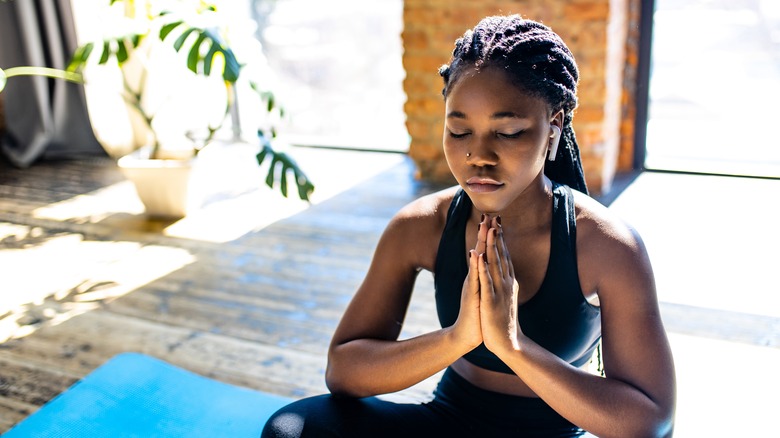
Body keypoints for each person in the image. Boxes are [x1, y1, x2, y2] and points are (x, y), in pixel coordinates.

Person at [262, 14, 676, 438]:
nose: (478, 155)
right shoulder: (422, 226)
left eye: (509, 132)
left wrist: (513, 346)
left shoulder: (607, 245)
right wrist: (458, 338)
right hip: (448, 422)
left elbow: (650, 421)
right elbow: (344, 370)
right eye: (459, 131)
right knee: (291, 429)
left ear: (553, 126)